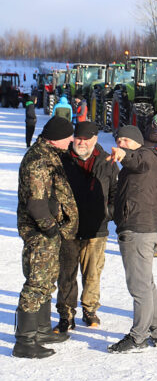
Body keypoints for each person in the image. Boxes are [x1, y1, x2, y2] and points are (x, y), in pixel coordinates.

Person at [13, 117, 78, 359]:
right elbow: (36, 203)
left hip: (47, 230)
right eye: (68, 136)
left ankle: (41, 329)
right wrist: (50, 229)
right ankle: (25, 341)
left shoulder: (49, 154)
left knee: (47, 278)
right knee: (37, 282)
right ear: (56, 137)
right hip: (40, 232)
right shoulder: (39, 161)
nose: (72, 140)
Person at [108, 125, 157, 352]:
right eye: (118, 139)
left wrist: (124, 156)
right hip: (146, 227)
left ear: (136, 141)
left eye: (125, 140)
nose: (121, 143)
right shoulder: (148, 159)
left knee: (138, 286)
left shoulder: (144, 158)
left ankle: (138, 337)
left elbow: (136, 161)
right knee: (146, 283)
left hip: (138, 229)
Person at [55, 121, 118, 332]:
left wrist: (108, 213)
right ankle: (66, 314)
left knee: (92, 272)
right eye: (78, 138)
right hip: (67, 229)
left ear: (95, 140)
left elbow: (116, 192)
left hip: (96, 228)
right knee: (66, 274)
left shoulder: (107, 161)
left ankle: (90, 310)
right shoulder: (61, 159)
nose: (81, 143)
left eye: (86, 139)